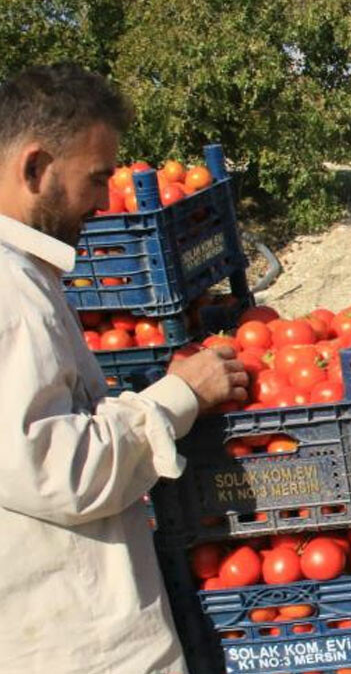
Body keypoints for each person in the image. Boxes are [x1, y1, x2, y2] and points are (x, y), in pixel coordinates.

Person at [0, 64, 248, 672]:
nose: (105, 201)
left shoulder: (27, 274)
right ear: (35, 168)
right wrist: (178, 396)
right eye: (95, 178)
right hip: (72, 641)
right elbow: (60, 470)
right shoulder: (9, 293)